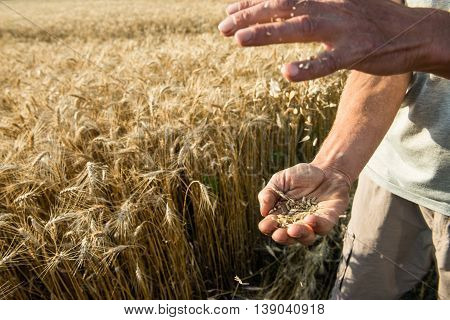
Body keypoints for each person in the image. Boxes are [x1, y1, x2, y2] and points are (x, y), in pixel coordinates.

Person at [219, 0, 450, 299]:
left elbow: (405, 34)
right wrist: (333, 167)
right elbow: (387, 51)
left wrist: (426, 33)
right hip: (391, 171)